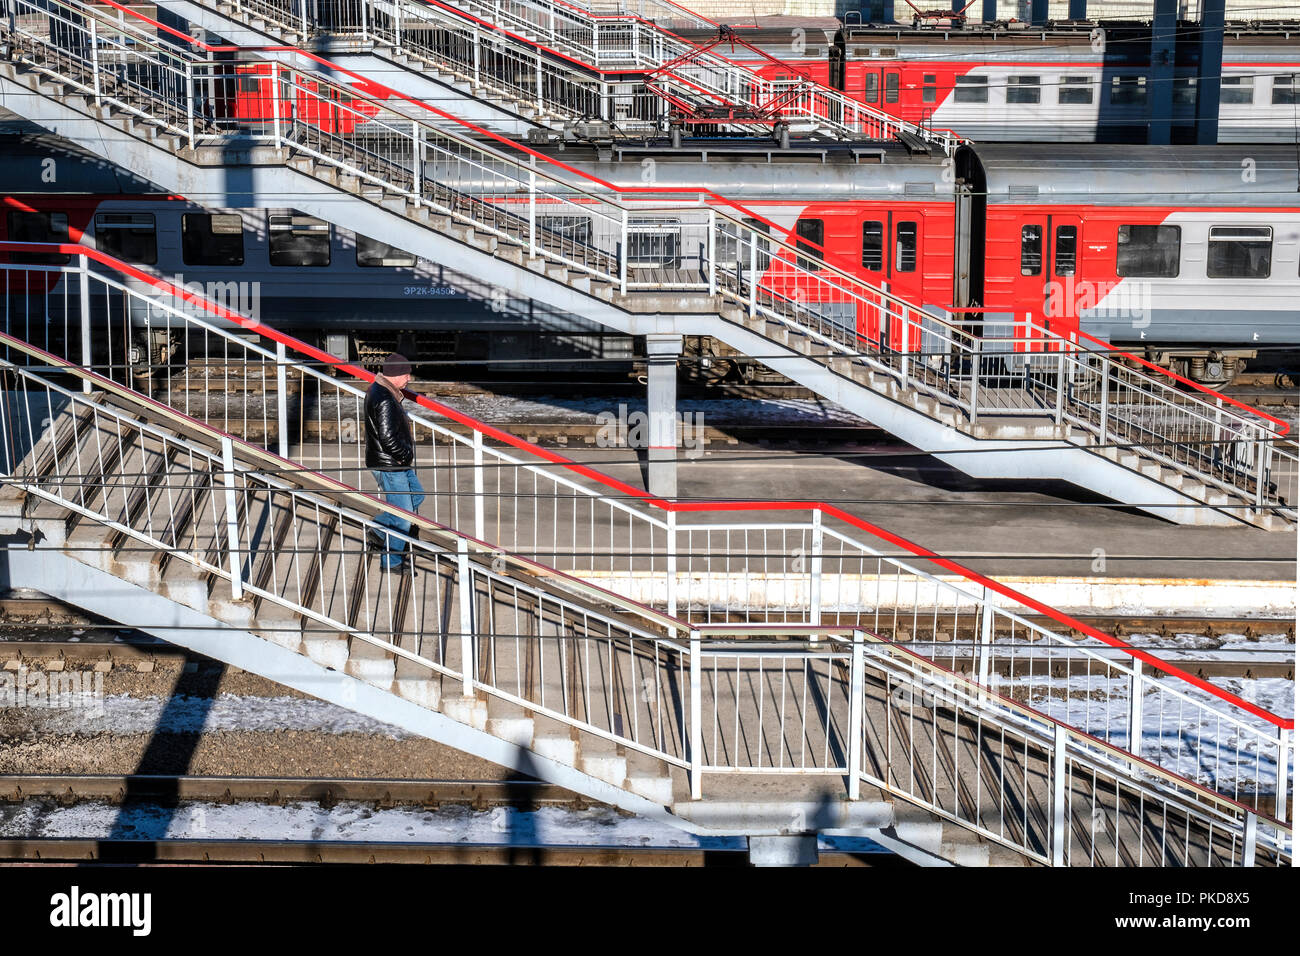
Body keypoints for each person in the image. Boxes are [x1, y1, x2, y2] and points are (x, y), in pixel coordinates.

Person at [364, 353, 424, 572]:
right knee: (403, 517)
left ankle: (379, 530)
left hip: (393, 462)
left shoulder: (381, 389)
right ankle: (391, 562)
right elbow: (388, 438)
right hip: (391, 464)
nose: (409, 378)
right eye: (406, 374)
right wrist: (404, 455)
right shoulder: (386, 399)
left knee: (417, 495)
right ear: (396, 374)